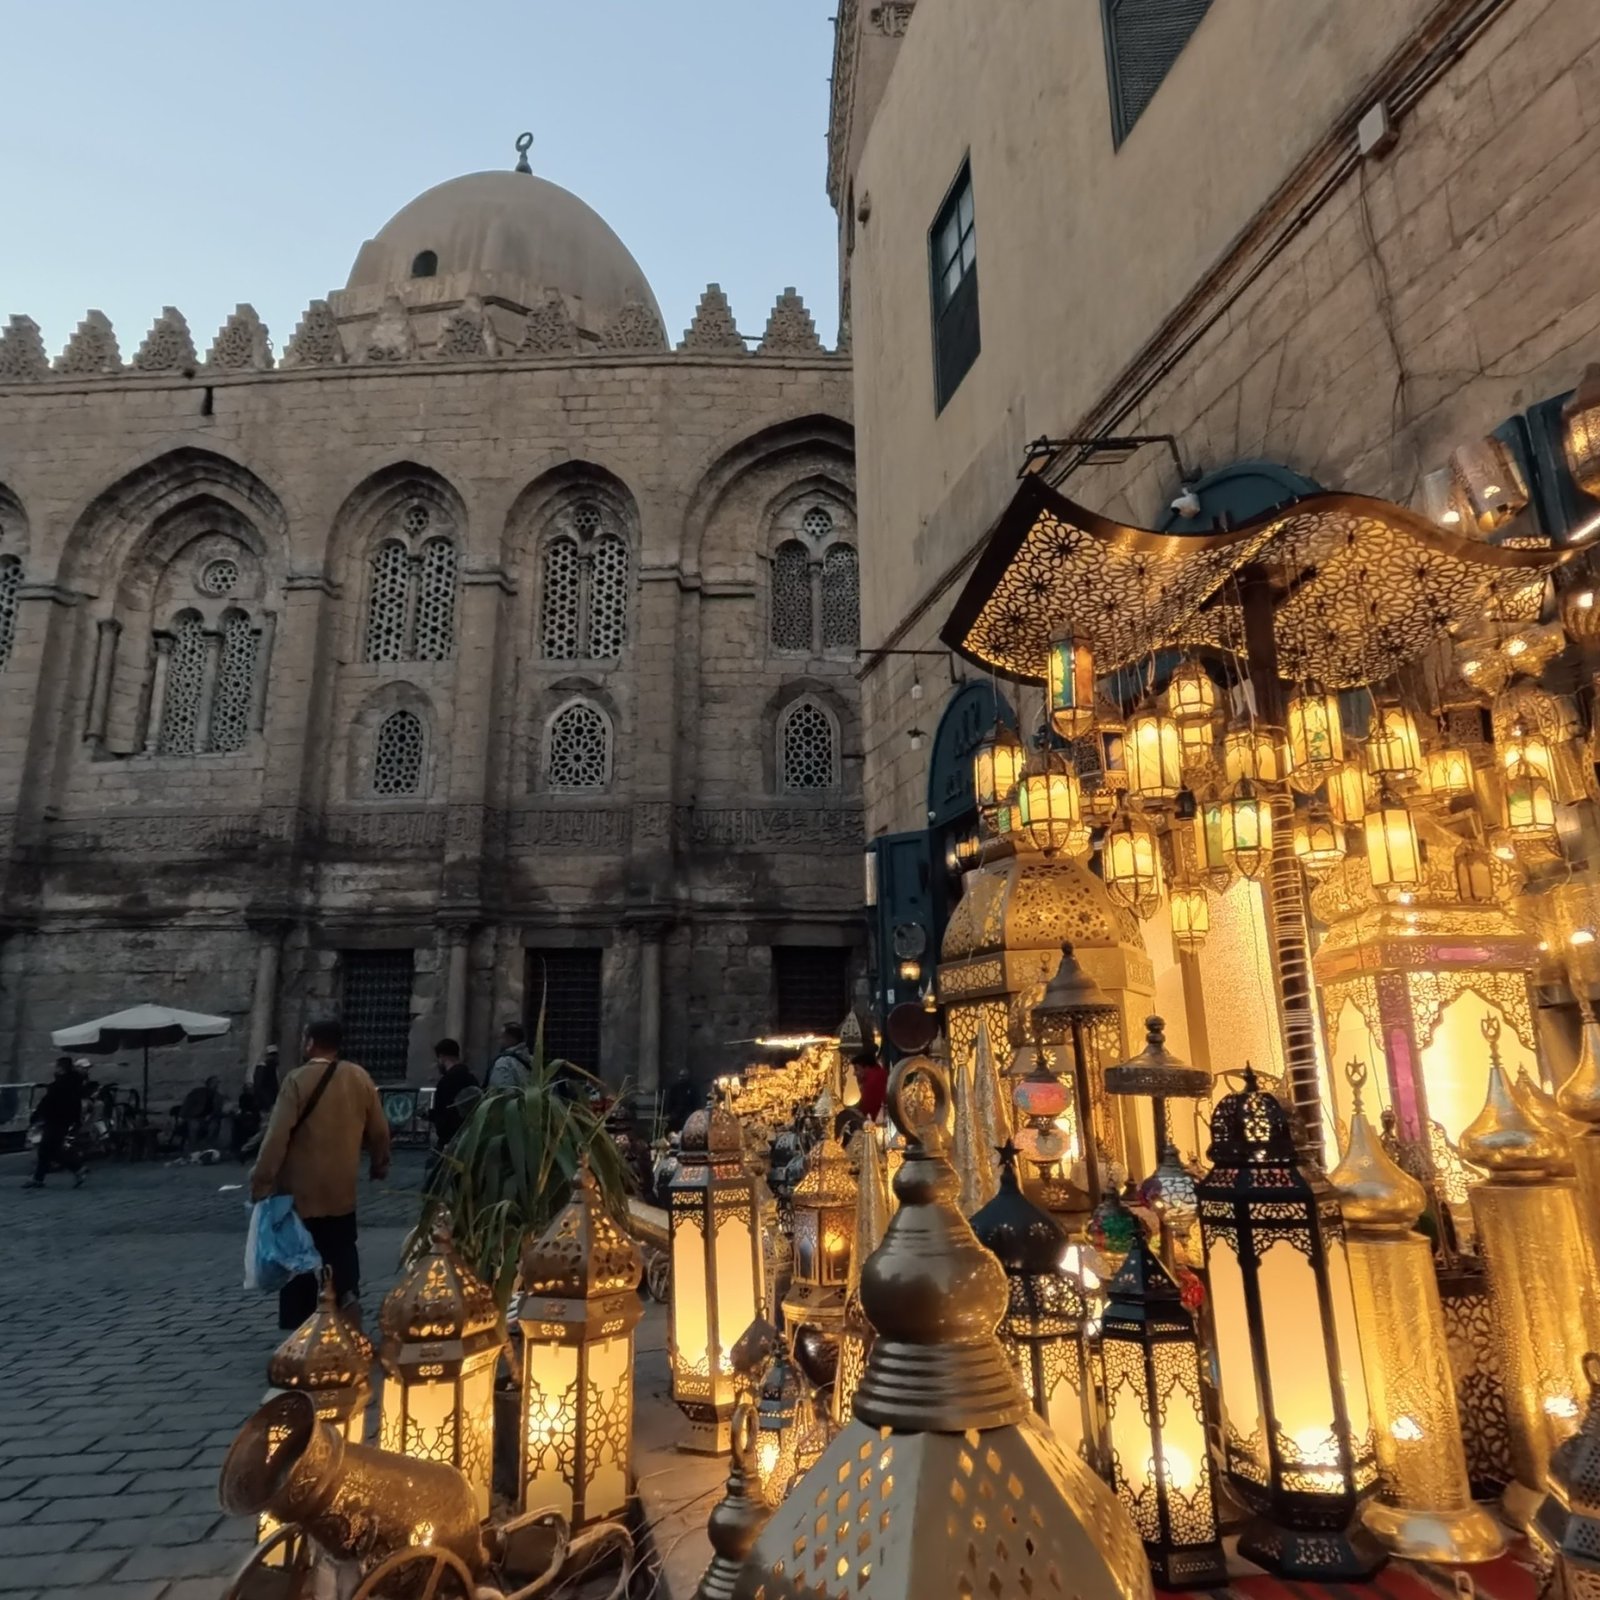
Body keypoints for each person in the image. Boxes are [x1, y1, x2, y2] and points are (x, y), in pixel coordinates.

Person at [251, 1018, 392, 1330]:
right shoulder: (359, 1077)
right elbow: (380, 1131)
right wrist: (379, 1163)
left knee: (299, 1257)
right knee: (341, 1250)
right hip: (341, 1189)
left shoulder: (296, 1080)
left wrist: (262, 1180)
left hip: (299, 1192)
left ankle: (302, 1329)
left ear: (310, 1042)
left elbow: (277, 1136)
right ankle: (348, 1300)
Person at [24, 1056, 86, 1189]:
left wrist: (37, 1115)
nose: (55, 1069)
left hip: (55, 1119)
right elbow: (76, 1104)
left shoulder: (59, 1085)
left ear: (61, 1068)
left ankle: (77, 1168)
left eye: (57, 1066)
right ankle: (38, 1178)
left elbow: (47, 1102)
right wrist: (76, 1120)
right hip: (64, 1120)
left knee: (50, 1149)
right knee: (47, 1149)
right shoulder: (74, 1084)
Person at [426, 1038, 477, 1174]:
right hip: (468, 1137)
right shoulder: (471, 1078)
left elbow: (443, 1113)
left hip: (449, 1141)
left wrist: (431, 1115)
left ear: (442, 1057)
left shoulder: (446, 1082)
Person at [182, 1074, 224, 1150]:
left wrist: (211, 1116)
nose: (216, 1085)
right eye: (214, 1082)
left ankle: (207, 1148)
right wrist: (182, 1116)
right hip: (195, 1117)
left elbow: (218, 1111)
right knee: (194, 1126)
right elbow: (187, 1104)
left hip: (210, 1119)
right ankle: (193, 1148)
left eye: (217, 1083)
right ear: (208, 1083)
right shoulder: (198, 1093)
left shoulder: (218, 1097)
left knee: (213, 1126)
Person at [486, 1021, 532, 1090]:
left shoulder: (503, 1062)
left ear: (511, 1039)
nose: (499, 1041)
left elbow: (499, 1090)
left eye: (502, 1037)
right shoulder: (532, 1060)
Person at [852, 1050, 888, 1121]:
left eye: (856, 1069)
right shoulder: (881, 1073)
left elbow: (864, 1111)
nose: (854, 1073)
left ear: (866, 1067)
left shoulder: (871, 1083)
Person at [252, 1045, 281, 1116]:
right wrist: (268, 1103)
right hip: (264, 1106)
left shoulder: (272, 1068)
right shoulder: (262, 1068)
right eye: (271, 1055)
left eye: (274, 1055)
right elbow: (259, 1087)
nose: (273, 1057)